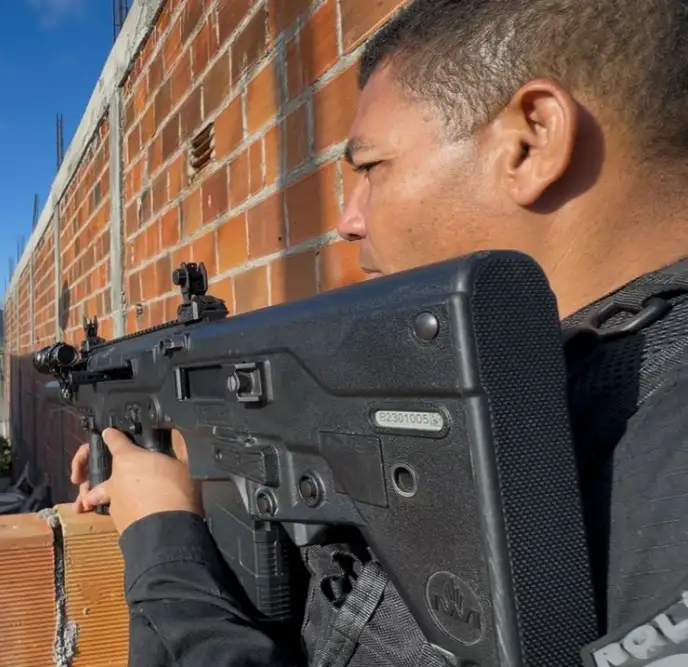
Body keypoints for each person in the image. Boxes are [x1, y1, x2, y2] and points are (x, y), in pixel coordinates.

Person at [70, 0, 688, 664]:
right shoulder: (563, 379)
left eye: (370, 168)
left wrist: (165, 548)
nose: (348, 219)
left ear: (529, 139)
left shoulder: (662, 459)